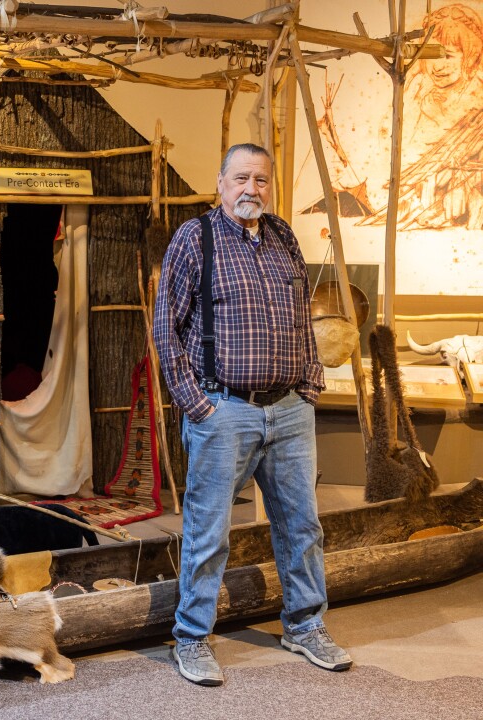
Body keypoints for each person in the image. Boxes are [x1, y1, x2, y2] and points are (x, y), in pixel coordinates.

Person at [152, 143, 352, 687]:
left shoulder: (284, 235)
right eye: (241, 178)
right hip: (224, 411)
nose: (251, 190)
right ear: (220, 183)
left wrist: (310, 382)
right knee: (208, 529)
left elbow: (300, 317)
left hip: (290, 410)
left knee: (301, 525)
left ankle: (305, 625)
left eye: (261, 180)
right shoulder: (197, 239)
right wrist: (195, 403)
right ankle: (192, 638)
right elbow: (165, 327)